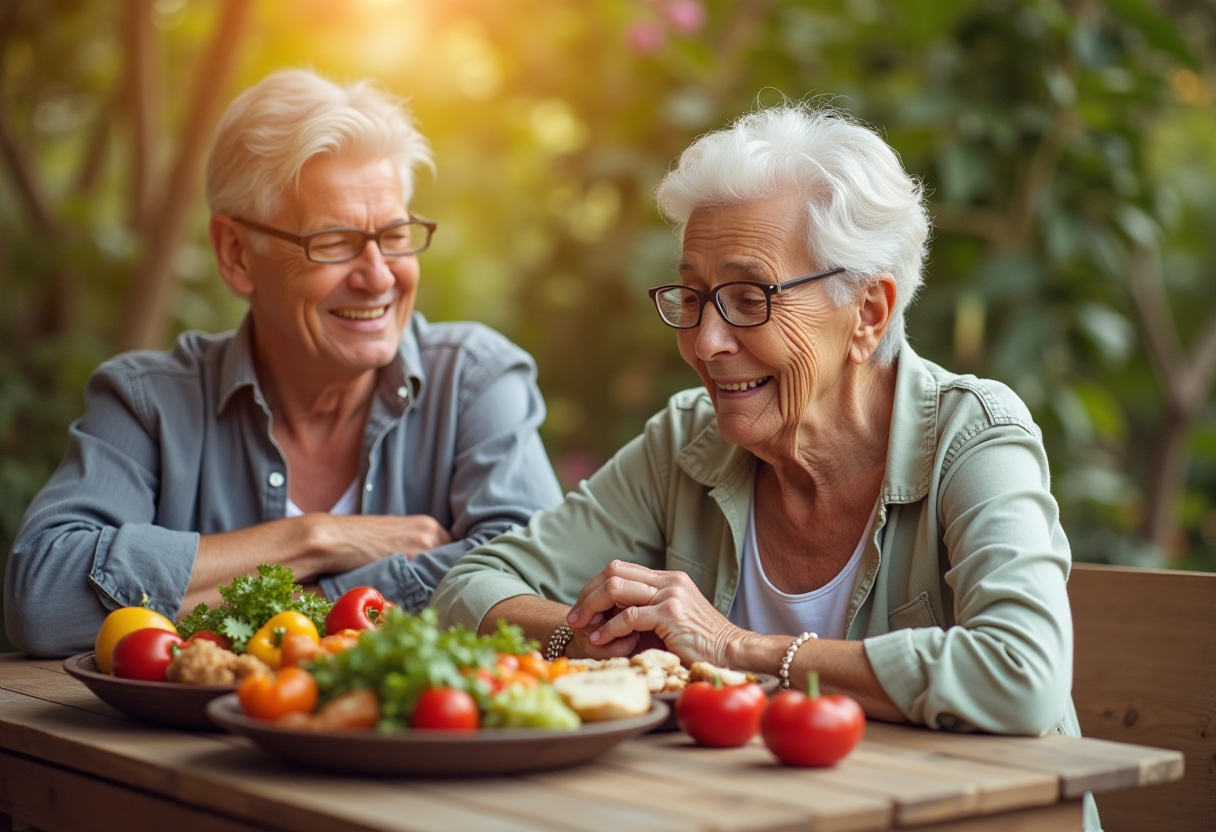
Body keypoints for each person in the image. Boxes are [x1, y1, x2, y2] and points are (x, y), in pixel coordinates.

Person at [435, 104, 1082, 739]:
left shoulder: (973, 437)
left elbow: (1021, 673)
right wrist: (577, 636)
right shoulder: (686, 441)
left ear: (868, 312)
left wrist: (735, 647)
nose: (706, 342)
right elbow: (467, 589)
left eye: (749, 298)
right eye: (693, 297)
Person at [5, 69, 563, 657]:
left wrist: (268, 605)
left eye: (395, 235)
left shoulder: (474, 381)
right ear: (237, 254)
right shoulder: (149, 403)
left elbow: (540, 581)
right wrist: (316, 538)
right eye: (334, 241)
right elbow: (44, 599)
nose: (378, 276)